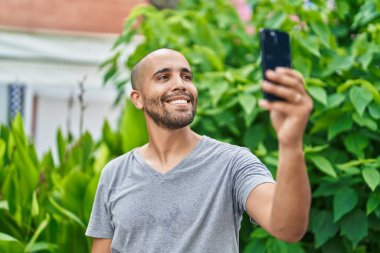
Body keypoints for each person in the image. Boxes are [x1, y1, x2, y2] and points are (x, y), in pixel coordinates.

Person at [85, 48, 313, 253]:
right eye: (164, 77)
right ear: (138, 99)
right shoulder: (114, 173)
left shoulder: (233, 163)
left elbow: (288, 228)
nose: (180, 84)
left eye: (186, 76)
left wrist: (291, 144)